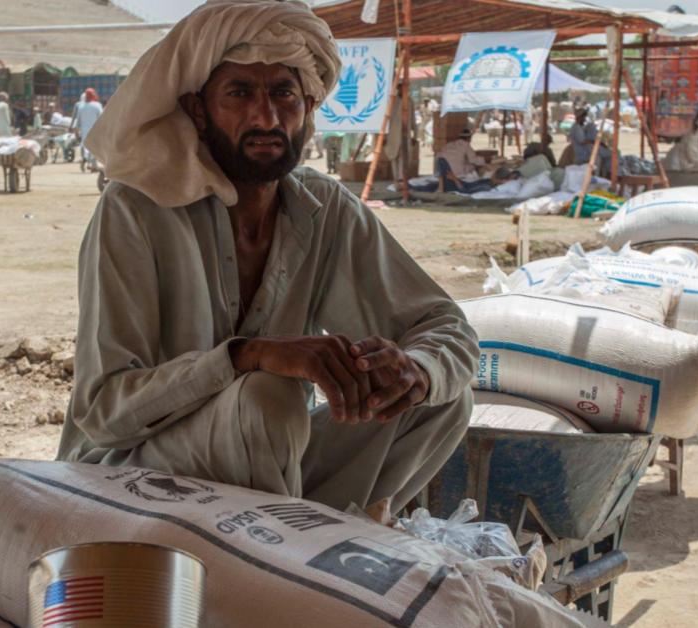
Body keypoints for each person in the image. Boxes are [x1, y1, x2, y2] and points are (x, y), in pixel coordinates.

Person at [64, 0, 477, 513]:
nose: (266, 116)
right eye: (239, 93)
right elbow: (105, 411)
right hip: (133, 474)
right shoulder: (136, 208)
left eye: (283, 93)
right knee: (266, 398)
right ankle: (288, 563)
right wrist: (247, 356)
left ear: (307, 102)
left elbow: (446, 328)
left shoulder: (323, 207)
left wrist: (413, 370)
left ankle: (316, 539)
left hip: (268, 461)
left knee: (435, 397)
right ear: (198, 109)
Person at [69, 87, 103, 166]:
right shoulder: (97, 105)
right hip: (95, 130)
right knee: (94, 147)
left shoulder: (81, 107)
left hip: (84, 131)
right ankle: (93, 164)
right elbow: (102, 118)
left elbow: (78, 122)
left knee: (86, 147)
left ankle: (86, 159)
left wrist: (76, 131)